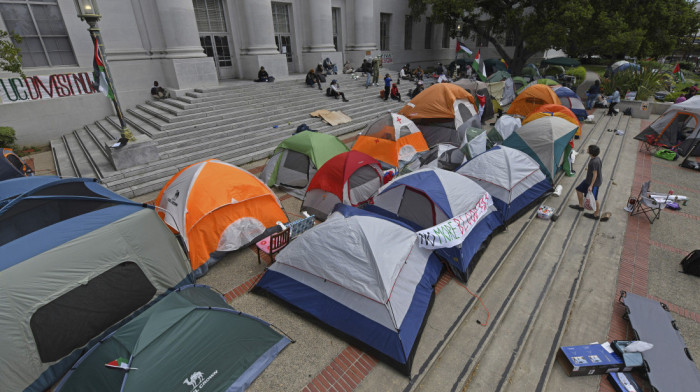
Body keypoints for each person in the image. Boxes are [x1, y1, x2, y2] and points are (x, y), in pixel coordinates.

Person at [570, 145, 608, 221]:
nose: (587, 149)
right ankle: (581, 206)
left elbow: (595, 174)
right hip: (588, 180)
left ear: (591, 152)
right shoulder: (596, 158)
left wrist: (591, 185)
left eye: (588, 149)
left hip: (594, 183)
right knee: (579, 190)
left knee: (594, 199)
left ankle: (596, 215)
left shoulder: (594, 162)